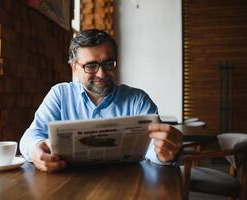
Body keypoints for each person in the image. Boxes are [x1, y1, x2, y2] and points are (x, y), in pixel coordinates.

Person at [20, 29, 183, 172]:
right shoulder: (60, 95)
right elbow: (31, 136)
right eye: (90, 66)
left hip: (128, 185)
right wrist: (35, 150)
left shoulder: (137, 100)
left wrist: (165, 153)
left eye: (108, 64)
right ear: (74, 67)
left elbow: (154, 148)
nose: (102, 74)